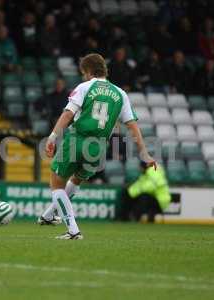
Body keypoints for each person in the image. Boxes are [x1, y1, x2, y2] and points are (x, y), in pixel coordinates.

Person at [39, 53, 156, 239]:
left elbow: (68, 114)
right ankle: (48, 215)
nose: (83, 76)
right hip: (99, 147)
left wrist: (52, 137)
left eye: (83, 72)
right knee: (76, 180)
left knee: (56, 183)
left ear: (89, 71)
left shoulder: (84, 87)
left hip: (77, 139)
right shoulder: (120, 94)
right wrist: (144, 153)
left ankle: (73, 230)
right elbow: (132, 126)